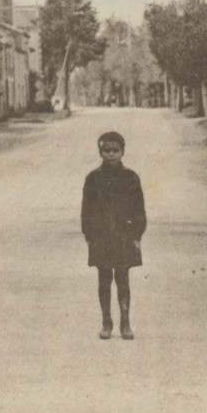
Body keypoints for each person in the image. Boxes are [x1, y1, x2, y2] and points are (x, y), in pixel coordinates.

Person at [80, 131, 147, 340]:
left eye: (115, 151)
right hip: (101, 237)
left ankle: (125, 323)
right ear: (100, 153)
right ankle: (106, 322)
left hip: (124, 237)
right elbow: (86, 211)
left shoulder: (131, 178)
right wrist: (89, 236)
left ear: (123, 152)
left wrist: (137, 235)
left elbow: (139, 209)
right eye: (106, 151)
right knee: (103, 280)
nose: (111, 155)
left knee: (123, 279)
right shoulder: (93, 178)